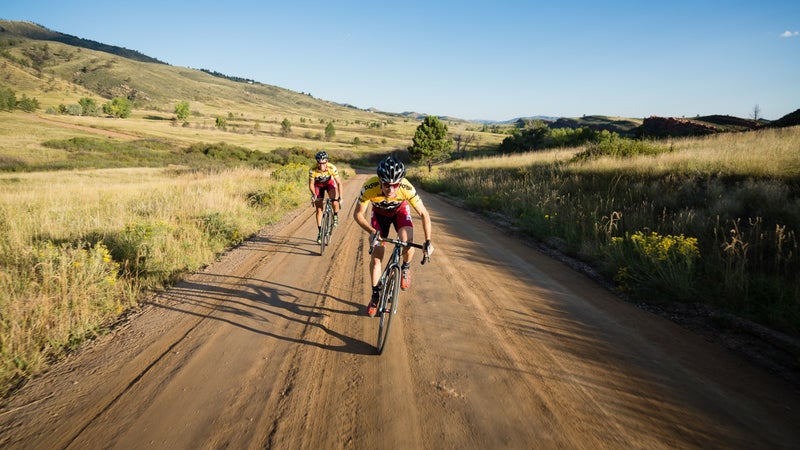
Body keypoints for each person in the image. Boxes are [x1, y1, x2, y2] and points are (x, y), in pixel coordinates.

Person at [353, 156, 434, 317]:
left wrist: (428, 241)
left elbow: (424, 214)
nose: (391, 189)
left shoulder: (407, 188)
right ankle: (375, 295)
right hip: (379, 216)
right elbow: (358, 215)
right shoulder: (370, 186)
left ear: (400, 182)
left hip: (399, 213)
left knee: (407, 241)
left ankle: (405, 268)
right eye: (386, 185)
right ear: (380, 181)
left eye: (395, 185)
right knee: (377, 257)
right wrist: (371, 232)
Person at [309, 151, 343, 243]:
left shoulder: (332, 168)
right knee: (319, 209)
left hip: (329, 184)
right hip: (318, 186)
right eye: (319, 163)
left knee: (334, 201)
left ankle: (335, 216)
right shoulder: (313, 169)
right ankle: (320, 232)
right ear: (317, 162)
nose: (321, 165)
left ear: (327, 161)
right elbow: (311, 184)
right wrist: (314, 195)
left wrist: (341, 197)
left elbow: (339, 183)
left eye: (323, 163)